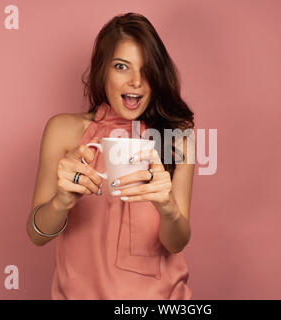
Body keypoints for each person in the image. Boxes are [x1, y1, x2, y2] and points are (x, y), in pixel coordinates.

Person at [26, 12, 195, 300]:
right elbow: (37, 235)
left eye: (147, 69)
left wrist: (168, 208)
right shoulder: (63, 130)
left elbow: (176, 243)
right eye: (121, 67)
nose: (136, 81)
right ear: (102, 70)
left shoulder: (177, 137)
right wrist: (62, 201)